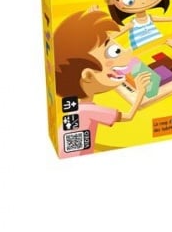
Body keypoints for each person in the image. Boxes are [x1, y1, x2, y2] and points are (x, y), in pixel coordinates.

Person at [53, 9, 151, 155]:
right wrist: (140, 92)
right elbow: (128, 116)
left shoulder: (76, 107)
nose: (126, 51)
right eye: (114, 52)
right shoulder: (88, 111)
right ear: (88, 75)